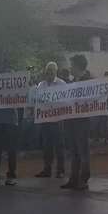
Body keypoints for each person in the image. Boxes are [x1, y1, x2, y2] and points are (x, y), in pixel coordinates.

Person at [60, 54, 93, 190]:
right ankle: (73, 179)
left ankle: (83, 179)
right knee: (73, 151)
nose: (70, 68)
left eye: (72, 65)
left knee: (82, 151)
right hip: (71, 120)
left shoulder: (89, 81)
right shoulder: (71, 82)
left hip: (83, 121)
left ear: (78, 66)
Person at [35, 62, 66, 178]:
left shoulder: (62, 84)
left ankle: (60, 170)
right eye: (48, 71)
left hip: (58, 119)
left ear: (56, 72)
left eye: (52, 71)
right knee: (47, 145)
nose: (49, 73)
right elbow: (38, 100)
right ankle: (47, 169)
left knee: (59, 146)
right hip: (45, 119)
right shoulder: (41, 85)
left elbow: (65, 100)